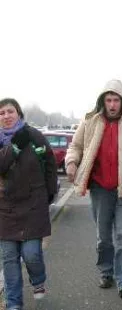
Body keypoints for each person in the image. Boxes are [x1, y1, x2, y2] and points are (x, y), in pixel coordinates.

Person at [65, 79, 122, 303]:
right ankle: (105, 271)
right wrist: (72, 162)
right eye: (108, 100)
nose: (112, 104)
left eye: (116, 100)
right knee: (104, 239)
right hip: (100, 190)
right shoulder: (90, 121)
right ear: (103, 101)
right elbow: (75, 146)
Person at [0, 98, 58, 310]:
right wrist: (14, 146)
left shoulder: (35, 136)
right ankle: (14, 303)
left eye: (10, 111)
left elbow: (50, 164)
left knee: (32, 253)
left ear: (19, 114)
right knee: (9, 259)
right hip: (5, 208)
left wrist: (50, 192)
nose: (6, 116)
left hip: (34, 205)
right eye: (2, 113)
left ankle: (38, 279)